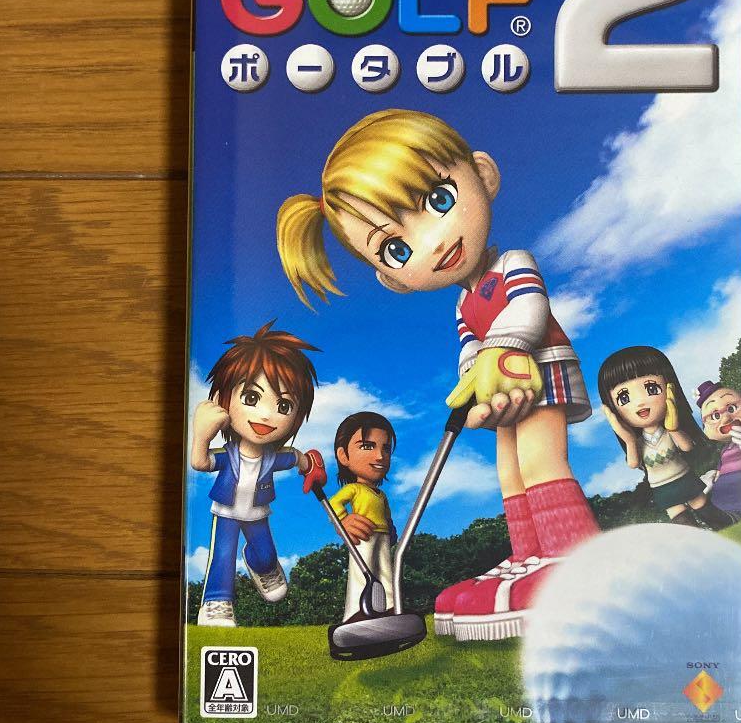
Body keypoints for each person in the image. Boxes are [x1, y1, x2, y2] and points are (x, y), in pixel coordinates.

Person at [276, 109, 598, 642]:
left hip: (540, 370)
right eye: (397, 249)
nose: (432, 243)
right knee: (509, 470)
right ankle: (531, 556)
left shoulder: (511, 263)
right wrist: (472, 385)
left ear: (483, 175)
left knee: (540, 458)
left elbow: (530, 309)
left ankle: (574, 558)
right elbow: (471, 350)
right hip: (501, 387)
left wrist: (500, 350)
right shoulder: (463, 302)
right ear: (393, 279)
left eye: (439, 200)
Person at [189, 321, 326, 626]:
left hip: (258, 513)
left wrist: (311, 465)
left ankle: (259, 565)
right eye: (251, 398)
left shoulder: (273, 457)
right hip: (226, 512)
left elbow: (296, 458)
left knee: (265, 555)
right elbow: (200, 463)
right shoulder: (228, 456)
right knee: (222, 556)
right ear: (224, 399)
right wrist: (201, 435)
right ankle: (216, 601)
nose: (266, 415)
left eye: (284, 405)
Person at [598, 346, 734, 530]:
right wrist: (629, 440)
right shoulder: (638, 442)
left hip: (683, 477)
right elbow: (633, 463)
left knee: (704, 508)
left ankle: (726, 525)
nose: (640, 402)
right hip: (661, 487)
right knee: (681, 520)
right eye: (624, 398)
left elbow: (686, 447)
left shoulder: (668, 431)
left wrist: (674, 429)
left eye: (651, 388)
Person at [328, 411, 398, 621]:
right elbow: (334, 503)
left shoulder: (381, 494)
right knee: (362, 570)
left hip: (382, 534)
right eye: (367, 446)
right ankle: (355, 612)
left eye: (386, 448)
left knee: (385, 570)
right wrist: (343, 520)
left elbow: (386, 514)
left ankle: (391, 607)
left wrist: (391, 528)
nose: (380, 456)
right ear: (344, 456)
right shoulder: (354, 489)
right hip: (362, 535)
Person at [694, 381, 741, 517]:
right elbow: (720, 467)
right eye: (715, 416)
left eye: (731, 408)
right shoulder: (725, 450)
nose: (726, 418)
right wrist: (713, 476)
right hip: (724, 493)